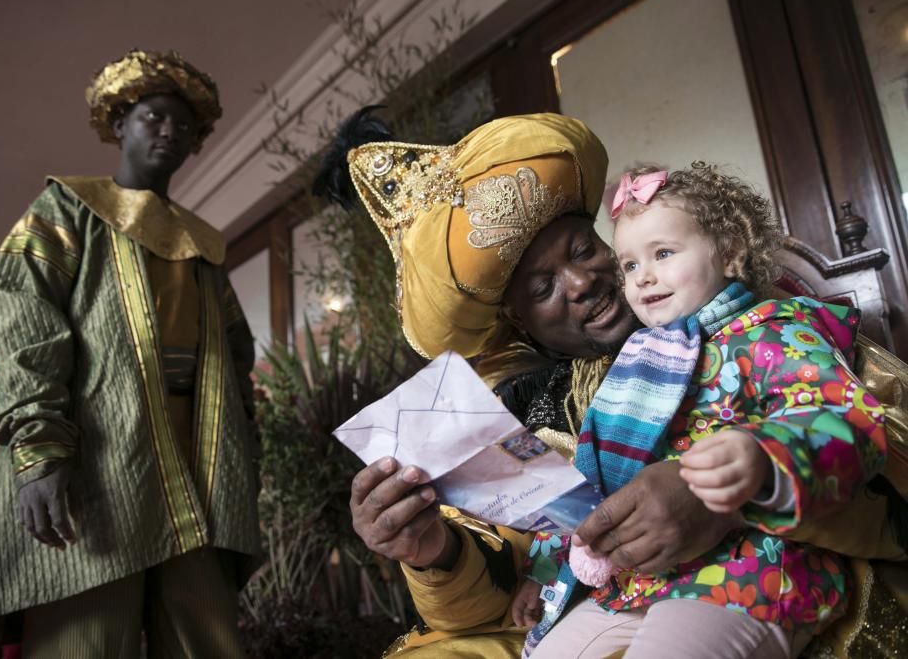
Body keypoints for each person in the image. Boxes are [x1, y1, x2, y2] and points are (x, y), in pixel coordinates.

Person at [317, 109, 908, 657]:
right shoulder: (535, 408)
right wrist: (434, 551)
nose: (580, 282)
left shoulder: (761, 320)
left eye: (586, 250)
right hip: (619, 596)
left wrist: (726, 497)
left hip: (762, 584)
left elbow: (868, 440)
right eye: (544, 288)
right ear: (522, 322)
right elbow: (554, 537)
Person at [0, 49, 262, 657]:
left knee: (207, 635)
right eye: (153, 117)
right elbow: (25, 334)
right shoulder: (64, 211)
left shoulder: (203, 247)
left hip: (199, 457)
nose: (169, 130)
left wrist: (244, 456)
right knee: (88, 638)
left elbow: (235, 357)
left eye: (183, 124)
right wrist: (40, 453)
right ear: (119, 124)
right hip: (99, 458)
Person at [511, 164, 886, 658]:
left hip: (749, 572)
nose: (643, 277)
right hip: (637, 581)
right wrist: (545, 574)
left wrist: (762, 459)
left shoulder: (773, 330)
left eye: (663, 254)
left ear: (730, 253)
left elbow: (845, 421)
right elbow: (593, 487)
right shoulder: (633, 367)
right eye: (628, 265)